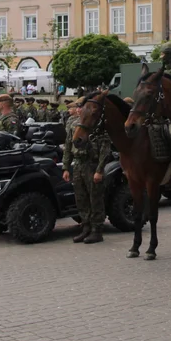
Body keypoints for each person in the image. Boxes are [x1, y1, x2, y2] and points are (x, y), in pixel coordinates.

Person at [63, 98, 111, 244]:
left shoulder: (97, 124)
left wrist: (100, 170)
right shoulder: (72, 123)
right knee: (81, 198)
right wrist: (66, 167)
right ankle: (86, 227)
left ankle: (97, 230)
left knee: (95, 198)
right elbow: (68, 146)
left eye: (81, 107)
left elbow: (105, 148)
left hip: (92, 164)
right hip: (78, 164)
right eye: (77, 107)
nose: (78, 109)